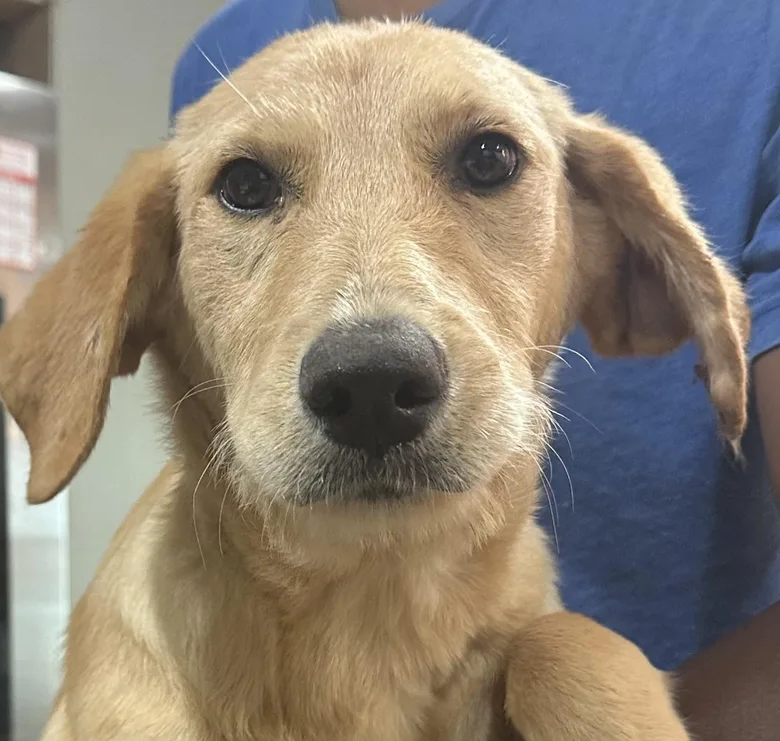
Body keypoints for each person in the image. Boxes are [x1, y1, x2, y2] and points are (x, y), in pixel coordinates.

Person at [171, 0, 780, 673]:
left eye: (486, 163)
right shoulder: (222, 53)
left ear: (608, 243)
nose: (366, 363)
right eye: (250, 187)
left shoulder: (749, 27)